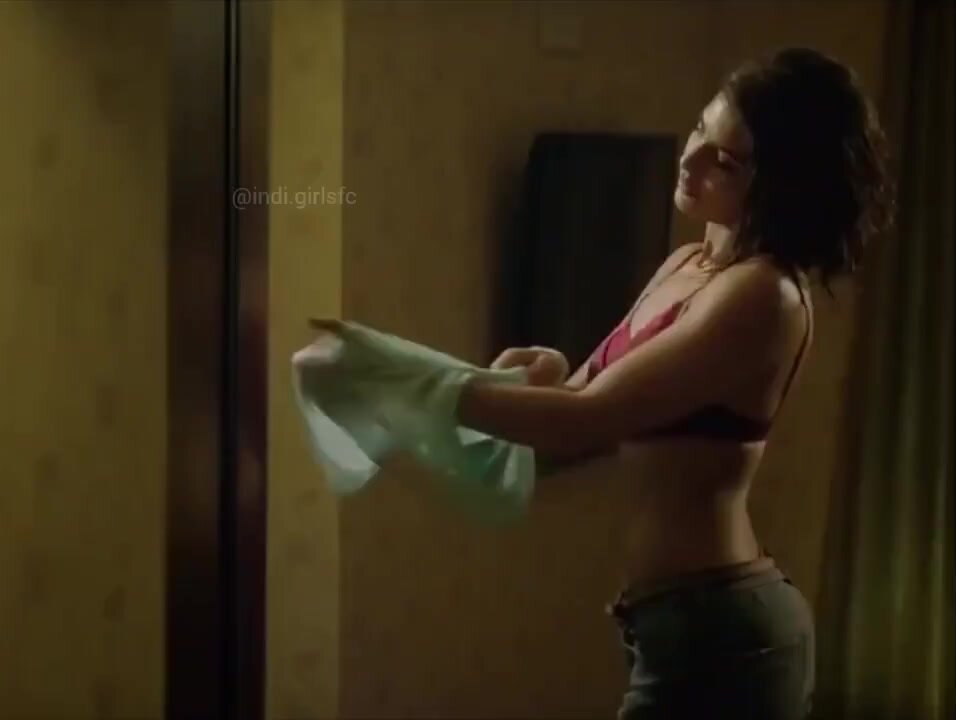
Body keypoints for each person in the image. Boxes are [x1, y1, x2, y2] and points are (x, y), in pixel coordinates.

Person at [456, 47, 894, 719]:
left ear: (782, 185)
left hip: (723, 636)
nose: (690, 160)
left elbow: (582, 420)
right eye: (699, 129)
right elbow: (579, 401)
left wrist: (408, 384)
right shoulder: (687, 263)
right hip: (670, 622)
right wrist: (537, 372)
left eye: (727, 161)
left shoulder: (762, 295)